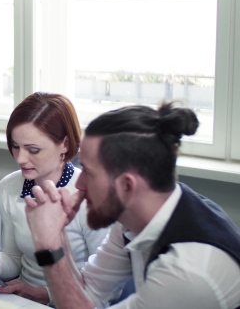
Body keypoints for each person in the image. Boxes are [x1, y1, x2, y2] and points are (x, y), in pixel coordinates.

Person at [24, 102, 240, 308]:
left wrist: (48, 248)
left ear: (127, 185)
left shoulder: (187, 272)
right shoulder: (133, 218)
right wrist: (58, 235)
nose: (79, 185)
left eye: (88, 173)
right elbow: (89, 293)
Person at [0, 92, 109, 305]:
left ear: (65, 145)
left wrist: (45, 294)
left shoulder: (89, 197)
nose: (20, 158)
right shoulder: (9, 187)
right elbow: (12, 257)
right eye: (15, 146)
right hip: (22, 300)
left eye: (33, 150)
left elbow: (102, 288)